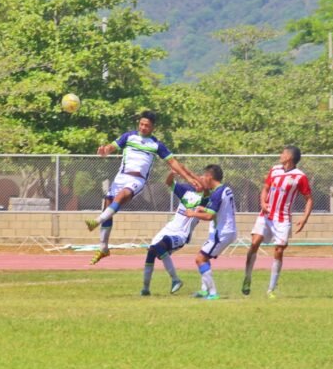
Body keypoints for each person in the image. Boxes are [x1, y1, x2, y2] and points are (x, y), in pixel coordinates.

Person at [85, 111, 202, 265]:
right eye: (141, 124)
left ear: (153, 127)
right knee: (108, 203)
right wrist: (104, 151)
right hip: (121, 176)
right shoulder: (129, 136)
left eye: (147, 125)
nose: (143, 127)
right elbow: (111, 147)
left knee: (121, 196)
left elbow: (173, 163)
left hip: (138, 179)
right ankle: (103, 248)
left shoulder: (156, 145)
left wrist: (188, 178)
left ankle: (96, 221)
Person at [242, 145, 313, 297]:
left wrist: (304, 219)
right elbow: (265, 188)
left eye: (283, 153)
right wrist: (263, 203)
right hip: (266, 216)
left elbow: (309, 199)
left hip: (283, 219)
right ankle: (247, 278)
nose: (281, 155)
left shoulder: (300, 176)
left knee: (279, 250)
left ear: (290, 157)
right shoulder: (274, 170)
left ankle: (271, 289)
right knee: (254, 243)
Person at [141, 171, 208, 296]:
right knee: (151, 251)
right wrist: (172, 173)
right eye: (198, 179)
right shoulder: (186, 190)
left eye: (203, 180)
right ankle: (145, 289)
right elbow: (169, 183)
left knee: (160, 246)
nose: (198, 181)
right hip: (169, 228)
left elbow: (207, 211)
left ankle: (175, 280)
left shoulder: (206, 198)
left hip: (181, 234)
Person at [184, 164, 237, 300]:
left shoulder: (217, 193)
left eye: (204, 176)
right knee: (204, 258)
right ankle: (204, 290)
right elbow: (218, 210)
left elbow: (209, 217)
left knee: (200, 259)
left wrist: (192, 214)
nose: (203, 178)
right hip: (225, 230)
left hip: (222, 232)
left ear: (210, 177)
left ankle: (213, 293)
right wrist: (205, 209)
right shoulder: (225, 189)